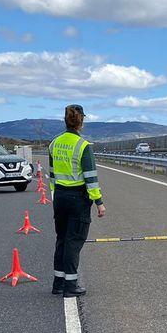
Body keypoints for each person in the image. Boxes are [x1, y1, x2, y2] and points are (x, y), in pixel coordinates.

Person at [47, 104, 105, 297]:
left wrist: (56, 195)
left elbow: (53, 174)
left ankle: (59, 283)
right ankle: (71, 285)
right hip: (77, 198)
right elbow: (90, 177)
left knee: (62, 239)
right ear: (81, 122)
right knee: (74, 241)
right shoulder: (83, 146)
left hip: (60, 197)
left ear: (65, 120)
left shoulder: (54, 143)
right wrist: (99, 202)